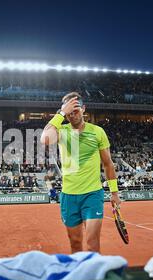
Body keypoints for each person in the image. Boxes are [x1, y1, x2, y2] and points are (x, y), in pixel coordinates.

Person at [40, 92, 121, 253]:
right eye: (69, 112)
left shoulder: (98, 131)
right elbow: (45, 139)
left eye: (75, 110)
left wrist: (114, 192)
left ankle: (94, 277)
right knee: (75, 243)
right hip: (69, 196)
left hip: (92, 194)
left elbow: (108, 164)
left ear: (84, 109)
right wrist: (61, 113)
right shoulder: (61, 131)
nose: (72, 115)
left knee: (92, 242)